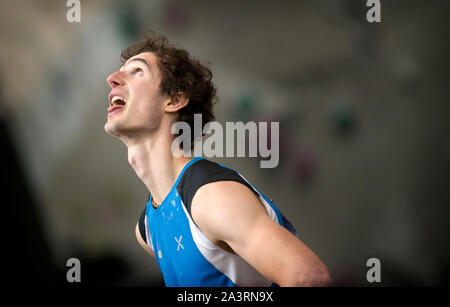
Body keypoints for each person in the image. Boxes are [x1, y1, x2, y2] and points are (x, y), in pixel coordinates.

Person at [104, 32, 332, 287]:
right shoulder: (147, 230)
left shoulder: (211, 198)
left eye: (137, 71)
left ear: (174, 99)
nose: (112, 79)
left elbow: (310, 279)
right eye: (119, 72)